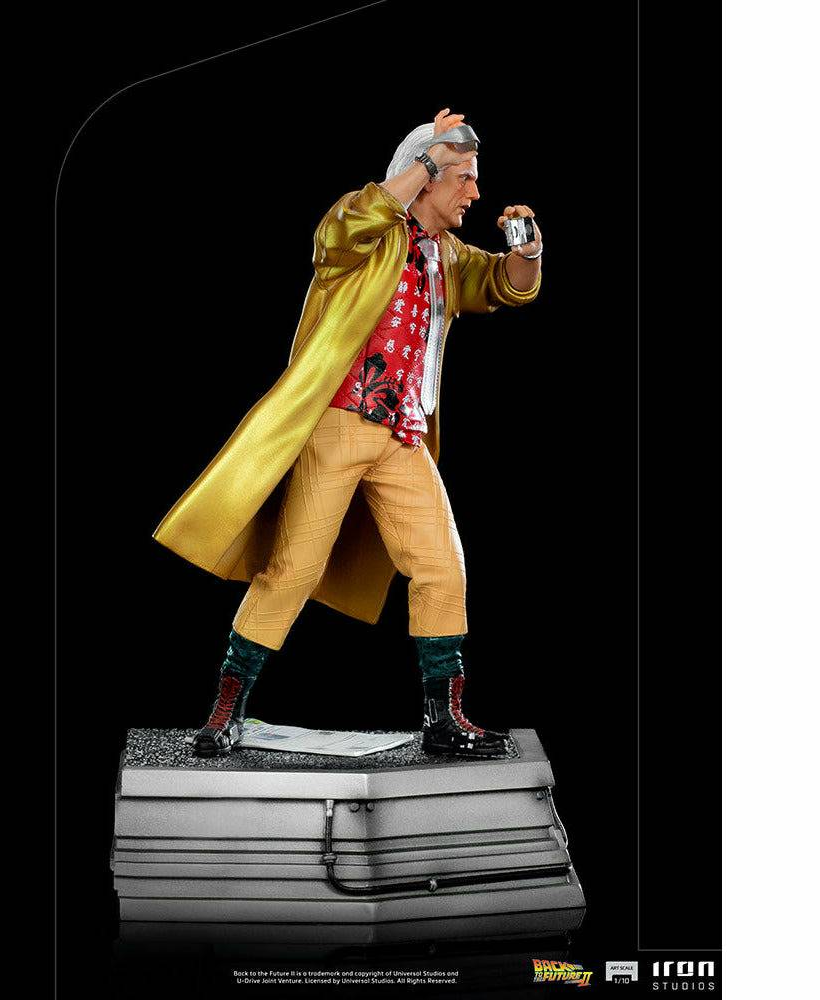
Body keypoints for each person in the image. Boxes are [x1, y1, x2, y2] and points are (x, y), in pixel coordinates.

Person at [153, 109, 543, 759]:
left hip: (401, 436)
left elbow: (506, 285)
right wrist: (428, 157)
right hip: (337, 426)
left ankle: (444, 717)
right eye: (464, 178)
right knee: (292, 570)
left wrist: (528, 254)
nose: (475, 192)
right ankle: (226, 709)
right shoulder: (367, 234)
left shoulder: (446, 256)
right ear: (426, 176)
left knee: (441, 565)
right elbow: (340, 229)